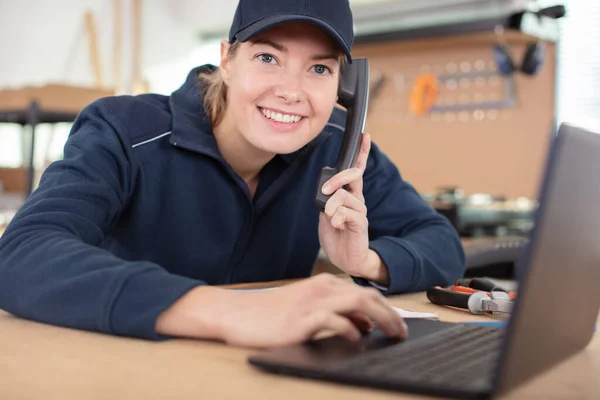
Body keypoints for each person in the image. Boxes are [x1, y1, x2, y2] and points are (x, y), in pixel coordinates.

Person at [0, 0, 465, 347]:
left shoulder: (340, 147)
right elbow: (21, 254)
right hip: (120, 362)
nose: (290, 91)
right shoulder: (123, 130)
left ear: (344, 87)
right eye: (268, 58)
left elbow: (441, 243)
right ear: (227, 59)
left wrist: (365, 261)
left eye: (319, 68)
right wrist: (229, 311)